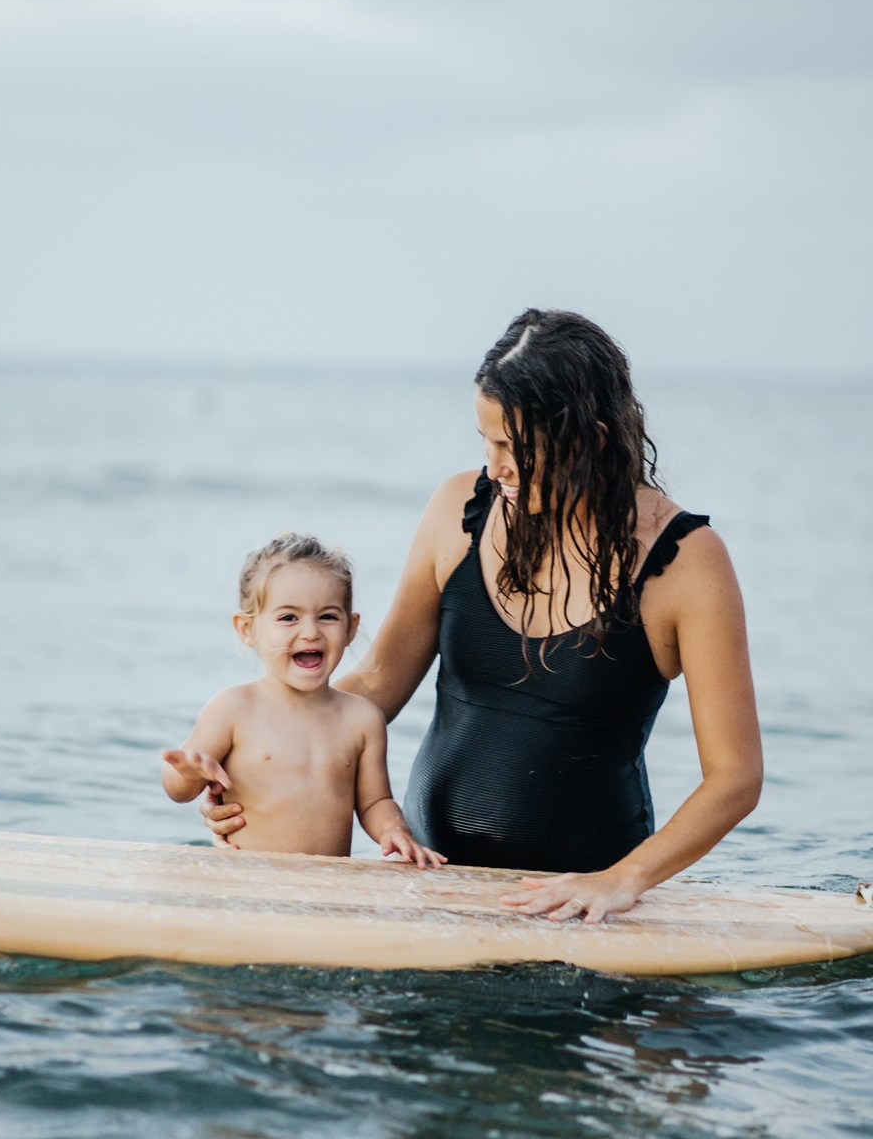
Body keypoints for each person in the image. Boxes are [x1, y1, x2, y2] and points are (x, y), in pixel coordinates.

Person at [204, 310, 762, 924]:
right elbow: (376, 684)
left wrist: (621, 881)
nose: (496, 467)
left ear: (593, 440)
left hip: (578, 911)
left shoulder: (685, 562)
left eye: (516, 448)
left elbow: (735, 777)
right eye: (487, 441)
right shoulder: (459, 509)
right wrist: (258, 771)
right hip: (431, 889)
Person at [162, 532, 445, 868]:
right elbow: (178, 790)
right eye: (288, 618)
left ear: (351, 628)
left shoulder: (361, 719)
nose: (310, 632)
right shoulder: (234, 709)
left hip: (327, 886)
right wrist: (191, 774)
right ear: (247, 629)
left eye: (327, 616)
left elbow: (374, 802)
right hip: (246, 880)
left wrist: (395, 831)